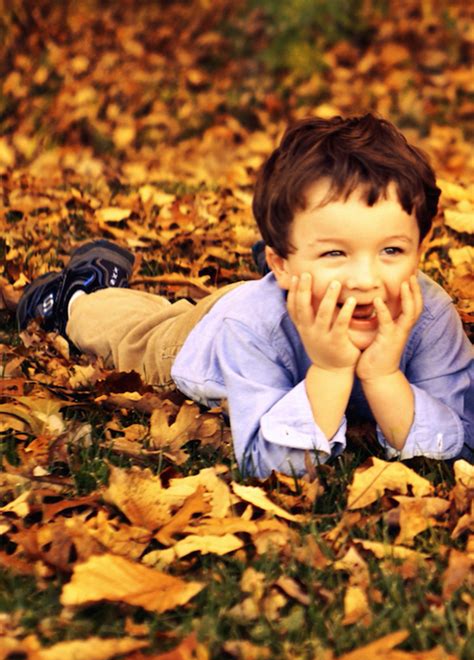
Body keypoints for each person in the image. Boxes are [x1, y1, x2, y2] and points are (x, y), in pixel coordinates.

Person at [17, 113, 473, 477]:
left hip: (290, 287)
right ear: (282, 264)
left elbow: (458, 442)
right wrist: (333, 369)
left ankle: (307, 251)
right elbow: (267, 463)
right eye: (337, 252)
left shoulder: (428, 314)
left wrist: (383, 375)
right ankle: (75, 294)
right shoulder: (249, 325)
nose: (366, 278)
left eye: (391, 250)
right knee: (141, 335)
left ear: (420, 248)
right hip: (210, 331)